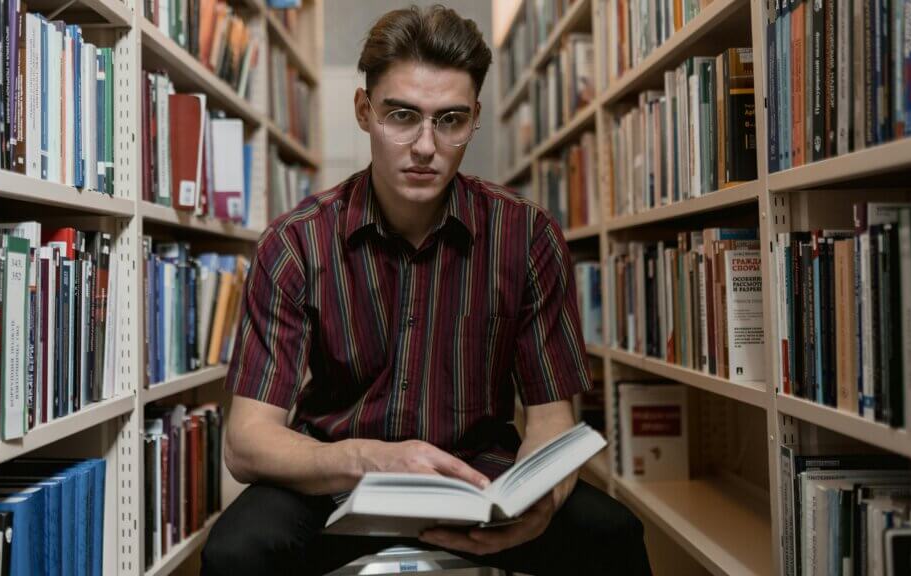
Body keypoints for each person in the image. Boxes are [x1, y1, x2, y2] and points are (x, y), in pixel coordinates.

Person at [201, 5, 651, 575]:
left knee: (613, 536)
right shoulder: (296, 243)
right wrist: (371, 459)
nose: (424, 146)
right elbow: (246, 441)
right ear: (365, 111)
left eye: (450, 120)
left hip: (477, 479)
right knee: (235, 552)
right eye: (402, 115)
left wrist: (543, 504)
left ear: (475, 119)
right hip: (335, 479)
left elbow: (550, 419)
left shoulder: (526, 235)